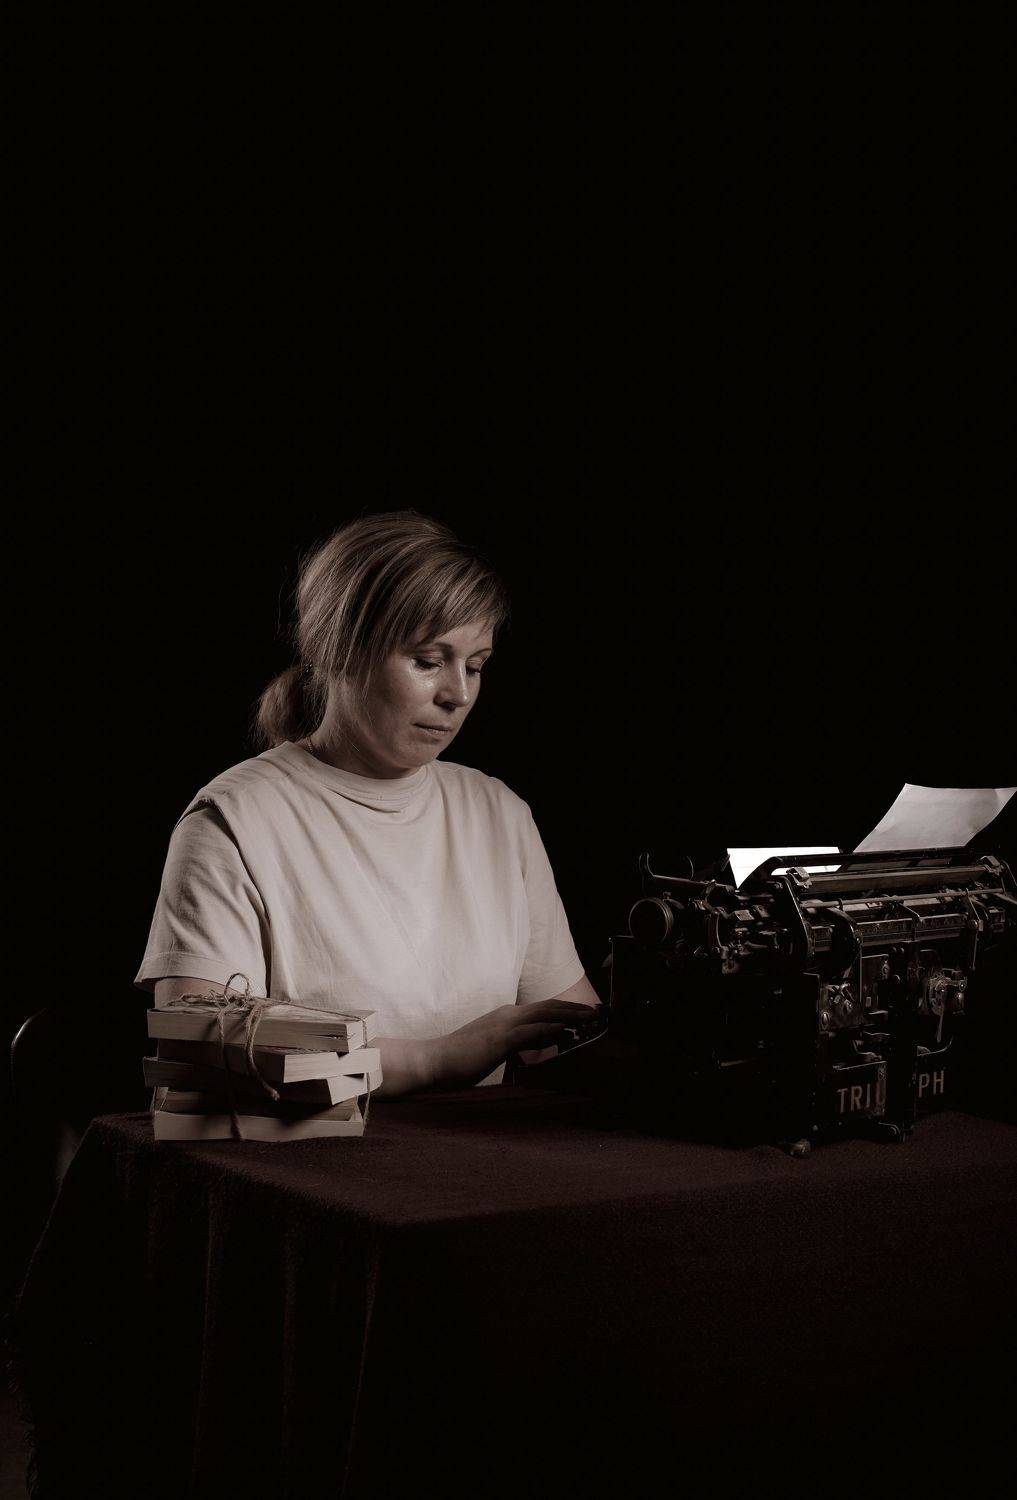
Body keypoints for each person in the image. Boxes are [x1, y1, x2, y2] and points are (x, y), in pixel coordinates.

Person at [134, 509, 601, 1096]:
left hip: (485, 1153)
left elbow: (570, 1030)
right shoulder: (234, 820)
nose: (458, 694)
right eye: (428, 662)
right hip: (321, 1151)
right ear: (339, 651)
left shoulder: (499, 815)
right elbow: (196, 1039)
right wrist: (434, 1061)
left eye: (475, 666)